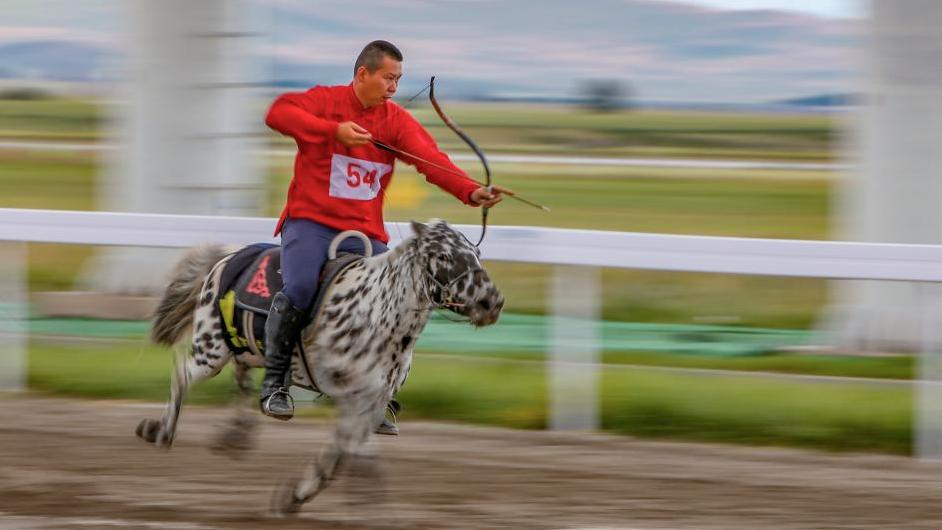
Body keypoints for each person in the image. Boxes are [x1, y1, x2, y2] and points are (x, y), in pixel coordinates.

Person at [260, 40, 510, 429]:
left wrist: (471, 190)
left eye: (399, 80)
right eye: (388, 78)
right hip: (311, 223)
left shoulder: (395, 120)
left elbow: (432, 161)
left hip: (364, 232)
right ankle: (275, 384)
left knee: (396, 300)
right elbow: (278, 113)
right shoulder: (325, 101)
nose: (394, 87)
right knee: (301, 289)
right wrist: (333, 131)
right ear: (364, 74)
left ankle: (379, 395)